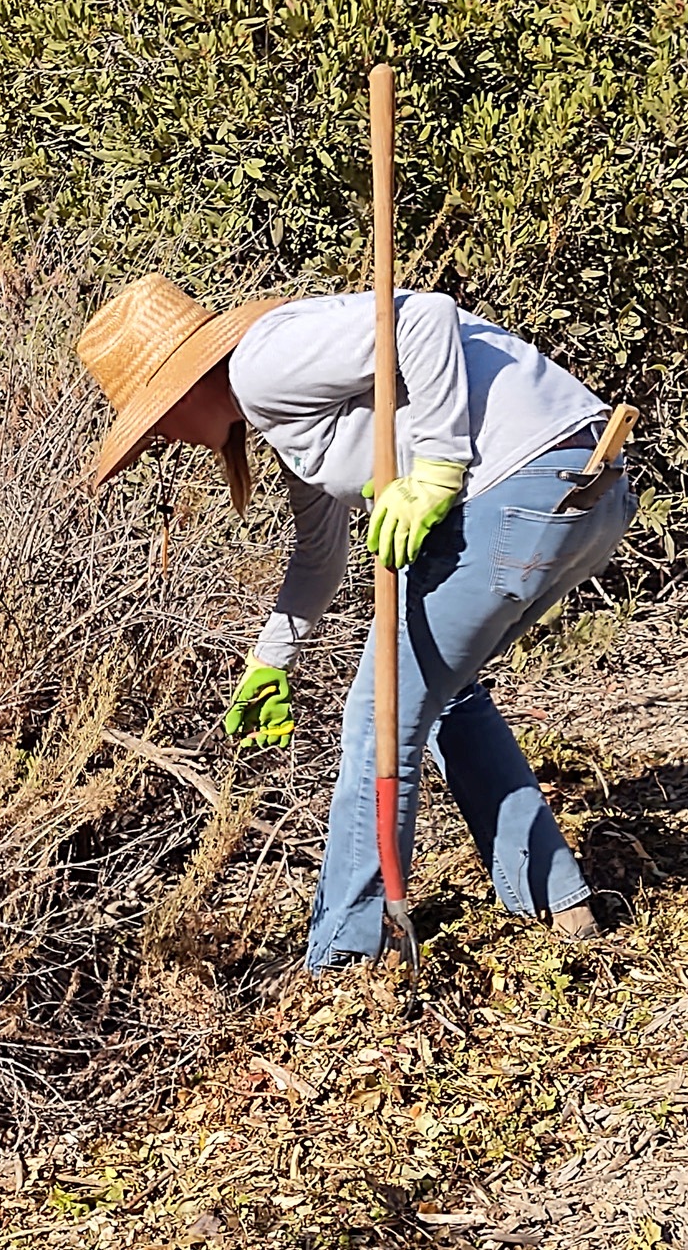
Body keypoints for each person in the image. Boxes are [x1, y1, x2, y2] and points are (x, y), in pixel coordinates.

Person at [77, 273, 637, 974]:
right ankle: (558, 896)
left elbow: (425, 320)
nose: (162, 436)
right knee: (439, 695)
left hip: (520, 488)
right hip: (587, 489)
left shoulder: (261, 363)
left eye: (154, 418)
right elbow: (320, 556)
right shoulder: (289, 425)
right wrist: (269, 658)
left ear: (185, 388)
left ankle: (344, 960)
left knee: (378, 714)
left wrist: (435, 466)